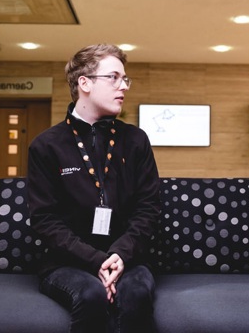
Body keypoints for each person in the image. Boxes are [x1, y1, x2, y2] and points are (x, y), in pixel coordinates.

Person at [27, 44, 161, 333]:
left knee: (135, 292)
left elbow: (148, 207)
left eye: (125, 79)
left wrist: (119, 255)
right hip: (67, 262)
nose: (123, 86)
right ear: (84, 83)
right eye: (113, 77)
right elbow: (45, 220)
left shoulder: (135, 140)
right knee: (90, 294)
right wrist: (96, 261)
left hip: (129, 258)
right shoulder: (46, 145)